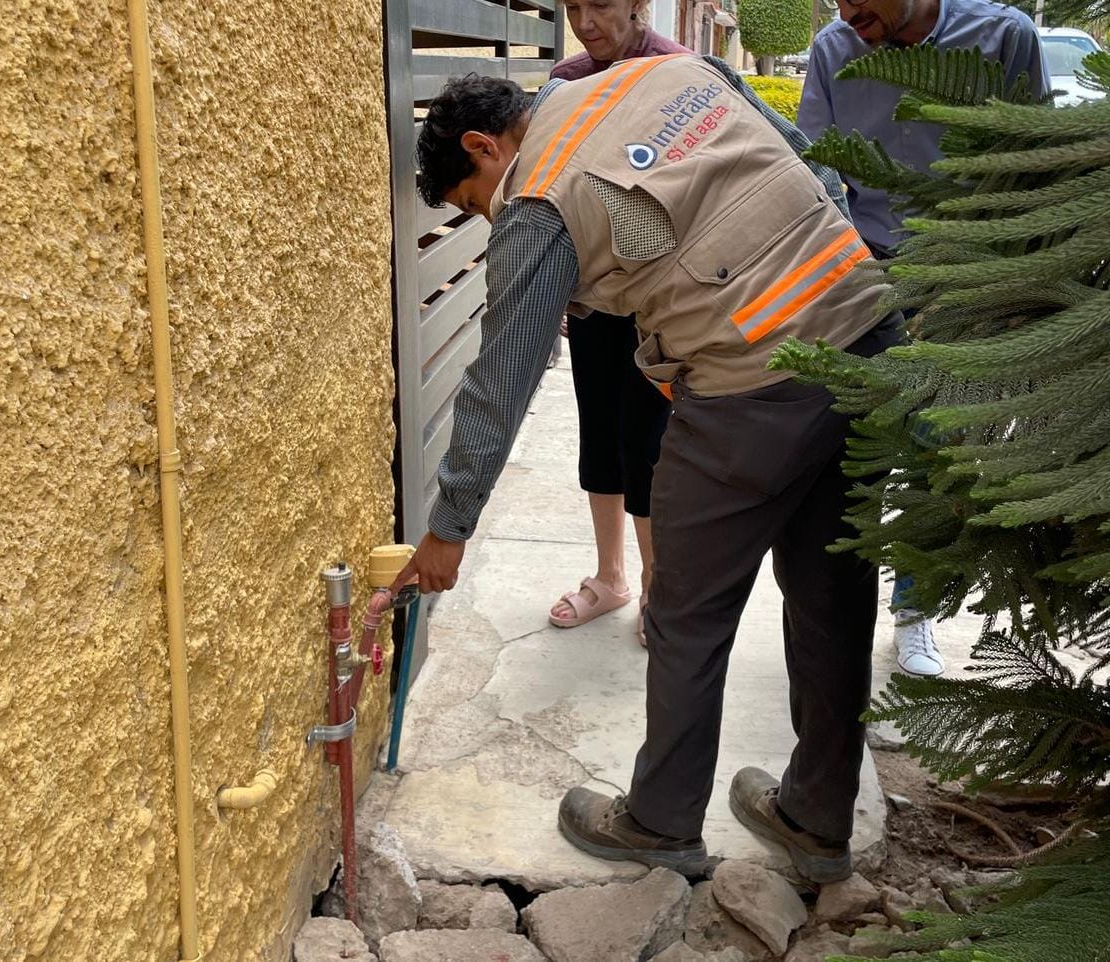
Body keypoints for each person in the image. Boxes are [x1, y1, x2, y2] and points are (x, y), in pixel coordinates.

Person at [398, 52, 905, 882]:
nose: (490, 219)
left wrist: (449, 530)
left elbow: (501, 380)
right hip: (863, 331)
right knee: (832, 596)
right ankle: (816, 819)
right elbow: (803, 165)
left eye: (471, 204)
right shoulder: (663, 76)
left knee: (686, 613)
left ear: (486, 147)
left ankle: (663, 820)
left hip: (753, 383)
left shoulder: (535, 197)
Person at [798, 0, 1050, 677]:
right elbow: (813, 169)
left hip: (961, 275)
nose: (849, 11)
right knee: (854, 447)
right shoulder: (834, 48)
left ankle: (916, 614)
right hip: (863, 270)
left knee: (938, 458)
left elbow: (1034, 161)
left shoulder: (1003, 37)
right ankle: (836, 616)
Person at [544, 1, 689, 644]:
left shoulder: (680, 74)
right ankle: (611, 577)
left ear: (639, 4)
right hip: (592, 295)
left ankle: (658, 583)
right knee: (597, 428)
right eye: (573, 5)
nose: (585, 20)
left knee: (651, 441)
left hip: (661, 302)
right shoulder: (565, 83)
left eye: (599, 3)